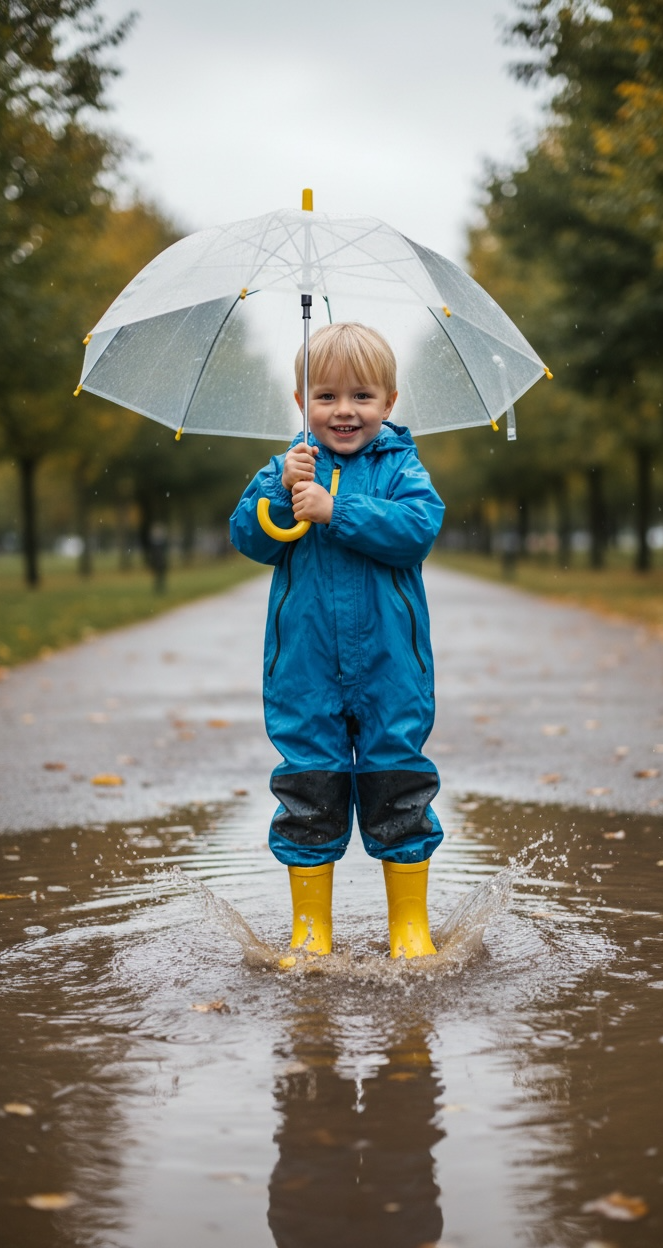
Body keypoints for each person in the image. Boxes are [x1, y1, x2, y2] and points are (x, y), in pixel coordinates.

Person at [230, 322, 445, 963]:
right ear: (301, 403)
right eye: (325, 396)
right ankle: (310, 930)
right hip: (305, 667)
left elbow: (417, 530)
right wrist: (280, 491)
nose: (344, 410)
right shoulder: (285, 468)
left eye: (361, 396)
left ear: (389, 402)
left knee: (397, 784)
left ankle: (409, 926)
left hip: (391, 667)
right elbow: (252, 538)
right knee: (309, 788)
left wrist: (337, 511)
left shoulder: (402, 467)